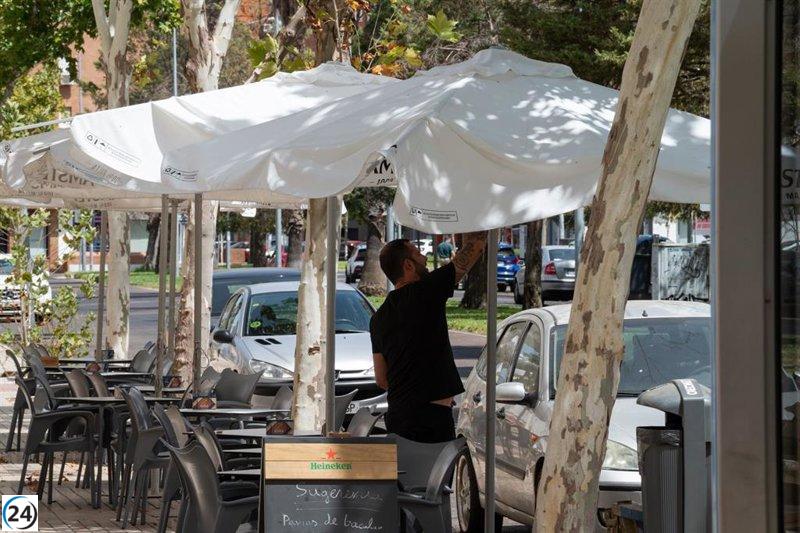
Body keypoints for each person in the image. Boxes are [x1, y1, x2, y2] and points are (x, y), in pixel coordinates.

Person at [370, 232, 487, 442]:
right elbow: (474, 250)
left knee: (405, 474)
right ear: (408, 265)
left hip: (398, 415)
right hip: (431, 419)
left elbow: (381, 378)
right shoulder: (427, 290)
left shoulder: (379, 317)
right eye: (418, 253)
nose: (424, 258)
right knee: (437, 474)